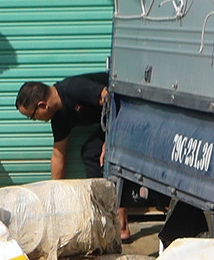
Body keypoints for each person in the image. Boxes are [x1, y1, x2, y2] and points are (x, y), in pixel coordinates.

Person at [16, 72, 129, 239]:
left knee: (96, 154)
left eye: (32, 117)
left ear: (42, 106)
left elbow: (111, 100)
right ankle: (103, 216)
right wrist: (54, 196)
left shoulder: (72, 88)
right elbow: (58, 155)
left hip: (129, 111)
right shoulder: (59, 117)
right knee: (90, 152)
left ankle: (120, 225)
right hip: (114, 120)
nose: (35, 120)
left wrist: (112, 140)